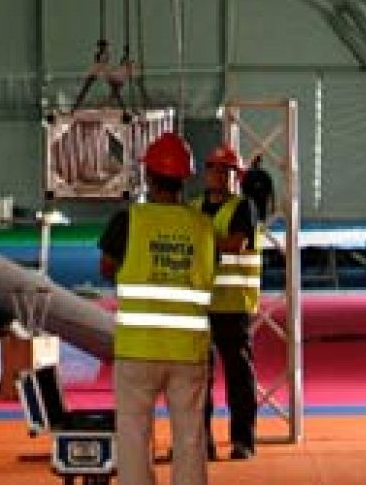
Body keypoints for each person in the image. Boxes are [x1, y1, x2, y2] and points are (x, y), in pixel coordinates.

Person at [98, 132, 217, 485]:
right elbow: (208, 275)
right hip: (187, 351)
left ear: (148, 177)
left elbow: (107, 267)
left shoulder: (129, 220)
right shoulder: (202, 226)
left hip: (138, 349)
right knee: (191, 438)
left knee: (134, 437)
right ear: (184, 178)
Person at [196, 146, 262, 460]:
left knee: (239, 377)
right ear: (206, 172)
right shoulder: (194, 208)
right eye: (214, 168)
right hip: (199, 305)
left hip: (233, 306)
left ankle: (243, 441)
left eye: (226, 170)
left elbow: (236, 244)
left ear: (234, 176)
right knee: (197, 380)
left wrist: (200, 241)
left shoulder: (243, 208)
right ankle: (201, 441)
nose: (219, 175)